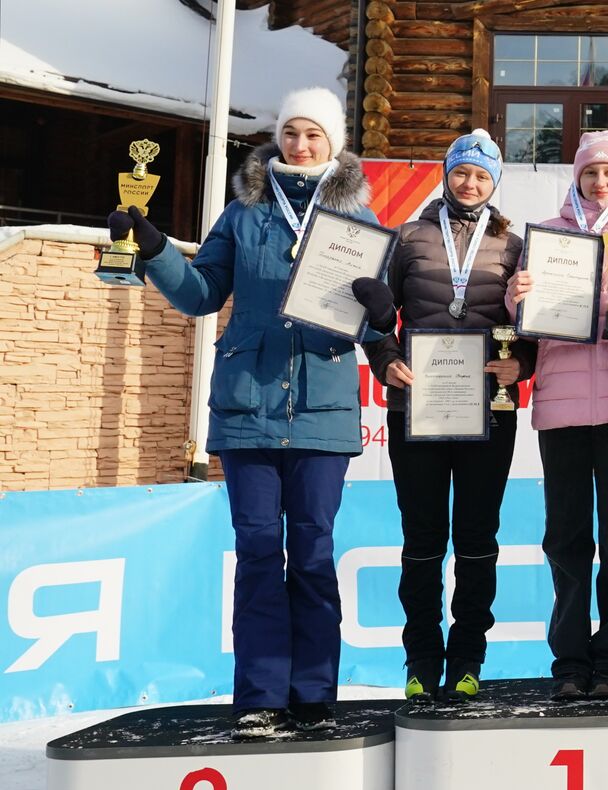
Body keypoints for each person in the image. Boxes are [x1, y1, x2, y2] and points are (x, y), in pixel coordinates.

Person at [107, 87, 379, 737]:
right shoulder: (243, 214)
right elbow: (201, 295)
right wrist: (154, 246)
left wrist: (383, 311)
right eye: (291, 133)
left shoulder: (359, 227)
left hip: (322, 410)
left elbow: (370, 328)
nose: (300, 145)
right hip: (247, 409)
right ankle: (259, 693)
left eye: (313, 134)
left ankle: (313, 692)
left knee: (312, 552)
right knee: (259, 550)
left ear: (334, 142)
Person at [351, 130, 530, 702]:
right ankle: (422, 661)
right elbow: (375, 312)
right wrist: (385, 359)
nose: (470, 184)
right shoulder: (406, 238)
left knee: (479, 538)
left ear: (494, 182)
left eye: (481, 176)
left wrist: (520, 364)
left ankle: (469, 660)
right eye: (461, 173)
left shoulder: (515, 246)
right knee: (422, 539)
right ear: (445, 175)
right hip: (416, 407)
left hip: (490, 409)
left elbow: (537, 322)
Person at [506, 131, 608, 701]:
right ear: (575, 179)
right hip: (561, 407)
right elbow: (526, 316)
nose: (600, 184)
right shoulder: (549, 237)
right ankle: (571, 664)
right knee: (567, 540)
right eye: (589, 174)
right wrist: (518, 293)